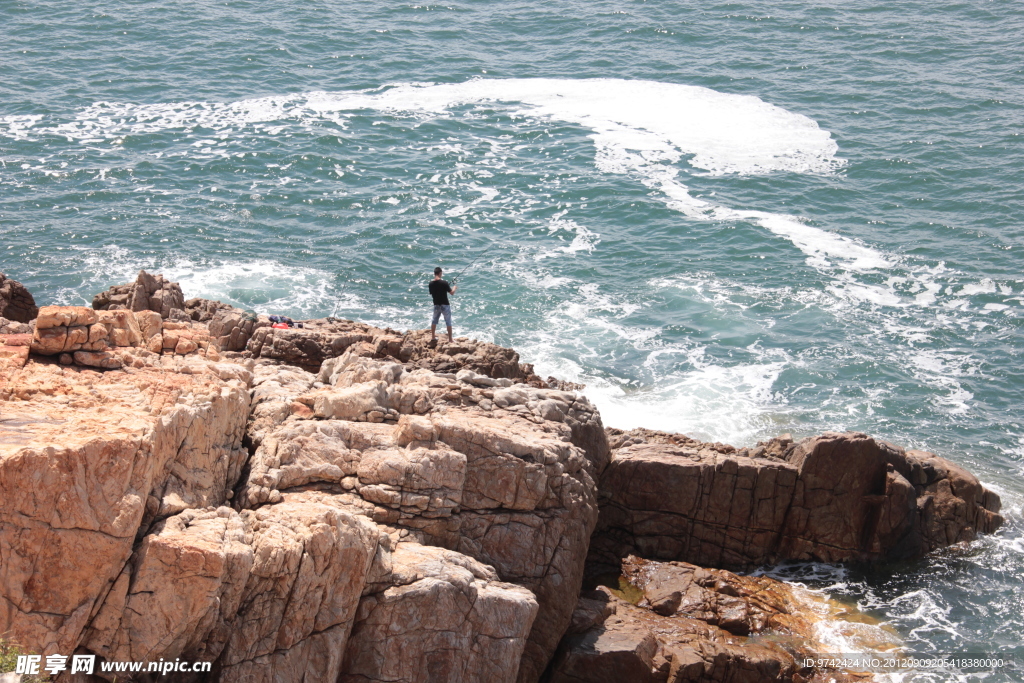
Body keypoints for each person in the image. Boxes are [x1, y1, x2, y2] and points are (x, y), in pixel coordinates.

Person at [429, 266, 457, 342]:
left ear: (434, 273)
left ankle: (433, 337)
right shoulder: (444, 283)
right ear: (440, 273)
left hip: (436, 304)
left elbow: (432, 293)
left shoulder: (431, 284)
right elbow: (451, 293)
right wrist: (454, 287)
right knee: (448, 321)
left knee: (434, 320)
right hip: (445, 304)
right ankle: (450, 339)